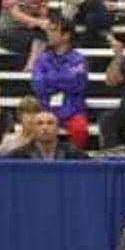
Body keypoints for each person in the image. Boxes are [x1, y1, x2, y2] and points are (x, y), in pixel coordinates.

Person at [31, 15, 90, 151]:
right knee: (31, 125)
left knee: (80, 129)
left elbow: (77, 84)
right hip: (46, 109)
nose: (48, 34)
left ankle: (75, 163)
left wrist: (50, 79)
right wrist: (65, 77)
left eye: (53, 31)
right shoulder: (42, 59)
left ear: (66, 36)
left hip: (72, 109)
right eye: (49, 30)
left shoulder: (79, 59)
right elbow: (38, 85)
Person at [8, 110, 88, 160]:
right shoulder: (19, 155)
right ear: (33, 129)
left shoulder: (73, 153)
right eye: (40, 123)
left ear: (57, 129)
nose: (45, 127)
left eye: (50, 123)